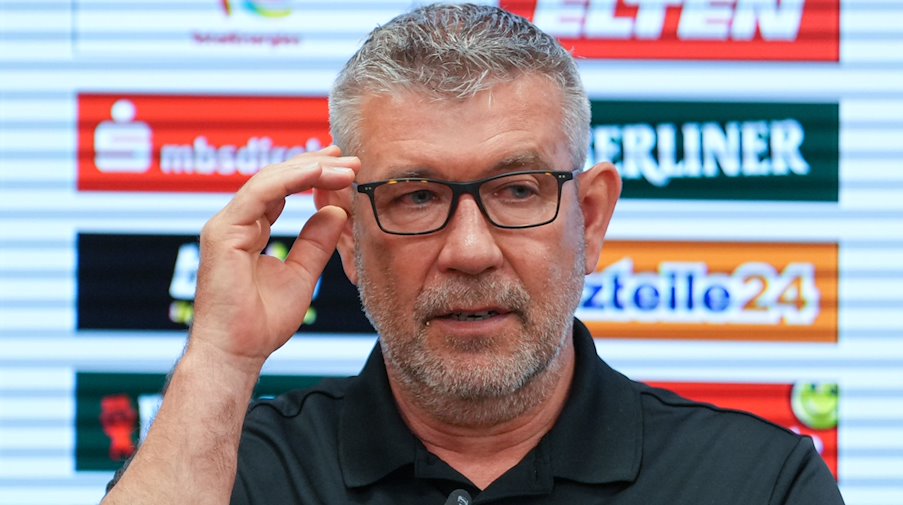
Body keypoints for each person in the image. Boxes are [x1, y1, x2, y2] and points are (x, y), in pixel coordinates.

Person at [103, 3, 845, 504]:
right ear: (350, 238)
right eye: (415, 196)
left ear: (589, 217)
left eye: (518, 190)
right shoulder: (238, 470)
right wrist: (222, 360)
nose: (467, 250)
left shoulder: (754, 481)